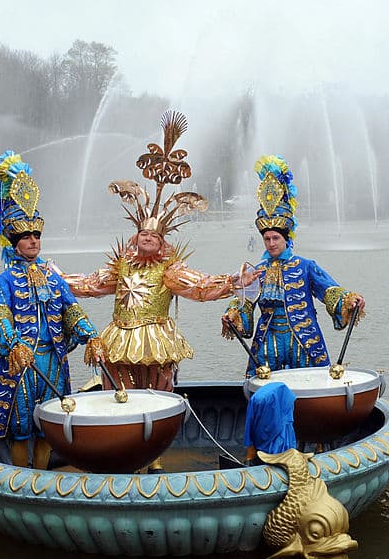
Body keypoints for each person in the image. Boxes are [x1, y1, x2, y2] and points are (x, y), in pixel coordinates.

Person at [62, 110, 256, 393]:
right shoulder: (122, 267)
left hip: (156, 337)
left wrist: (232, 282)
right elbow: (91, 284)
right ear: (136, 237)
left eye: (154, 235)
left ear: (163, 241)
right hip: (120, 336)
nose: (148, 238)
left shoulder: (168, 270)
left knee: (157, 391)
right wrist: (57, 279)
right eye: (144, 234)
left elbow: (198, 286)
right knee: (117, 390)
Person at [0, 151, 106, 470]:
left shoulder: (53, 275)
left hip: (53, 357)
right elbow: (0, 315)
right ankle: (19, 478)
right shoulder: (4, 280)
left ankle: (39, 476)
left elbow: (71, 308)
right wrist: (14, 343)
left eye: (36, 235)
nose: (33, 241)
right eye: (26, 236)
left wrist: (91, 335)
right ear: (14, 242)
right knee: (21, 427)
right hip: (22, 360)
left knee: (49, 423)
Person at [221, 155, 364, 377]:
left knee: (311, 383)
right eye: (267, 239)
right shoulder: (257, 270)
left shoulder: (305, 266)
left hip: (304, 338)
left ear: (286, 240)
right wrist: (233, 315)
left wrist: (348, 300)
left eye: (275, 239)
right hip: (268, 338)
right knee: (264, 385)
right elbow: (244, 301)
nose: (271, 243)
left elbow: (329, 290)